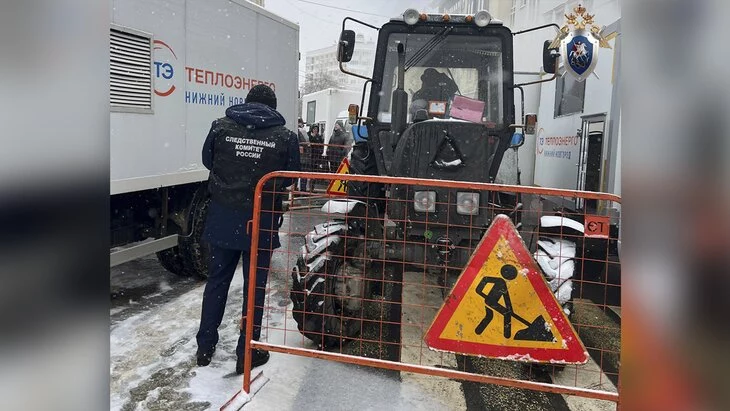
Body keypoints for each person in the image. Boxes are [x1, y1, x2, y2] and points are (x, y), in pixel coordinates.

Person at [197, 84, 300, 374]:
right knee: (254, 288)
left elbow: (208, 160)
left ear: (246, 102)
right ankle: (247, 351)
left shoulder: (220, 127)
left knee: (217, 283)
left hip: (222, 218)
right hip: (261, 220)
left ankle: (205, 347)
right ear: (274, 106)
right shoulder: (285, 137)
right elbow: (290, 175)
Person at [297, 118, 309, 191]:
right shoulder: (302, 131)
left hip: (297, 157)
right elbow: (307, 142)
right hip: (303, 157)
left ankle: (294, 190)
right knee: (303, 174)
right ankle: (302, 189)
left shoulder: (295, 131)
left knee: (294, 174)